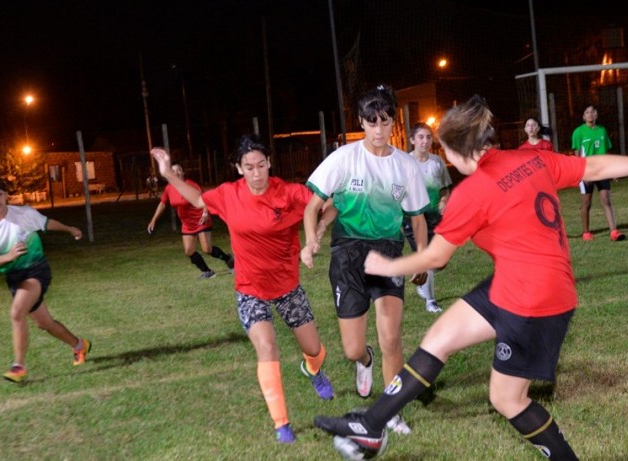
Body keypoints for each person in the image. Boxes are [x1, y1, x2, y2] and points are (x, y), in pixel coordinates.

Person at [313, 95, 628, 460]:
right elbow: (594, 168)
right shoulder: (528, 160)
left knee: (507, 399)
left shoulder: (472, 192)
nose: (446, 159)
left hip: (533, 302)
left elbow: (436, 257)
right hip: (520, 282)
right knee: (439, 338)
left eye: (447, 152)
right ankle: (371, 425)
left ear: (465, 152)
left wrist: (386, 266)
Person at [151, 135, 335, 444]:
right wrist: (168, 172)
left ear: (269, 163)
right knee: (267, 348)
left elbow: (329, 205)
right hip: (250, 288)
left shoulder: (289, 192)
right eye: (248, 167)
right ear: (239, 168)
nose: (256, 173)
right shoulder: (228, 195)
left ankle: (314, 370)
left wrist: (318, 229)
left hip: (288, 286)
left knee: (314, 349)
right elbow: (197, 200)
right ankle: (282, 424)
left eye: (261, 165)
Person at [301, 84, 431, 435]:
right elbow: (314, 206)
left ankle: (392, 413)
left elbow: (417, 219)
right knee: (352, 347)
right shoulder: (344, 158)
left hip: (388, 252)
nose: (378, 131)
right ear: (361, 122)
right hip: (348, 253)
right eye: (371, 123)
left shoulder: (406, 166)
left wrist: (421, 256)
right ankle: (365, 360)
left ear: (394, 123)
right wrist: (311, 240)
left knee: (391, 337)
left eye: (385, 122)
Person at [0, 171, 92, 384]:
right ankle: (79, 345)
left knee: (17, 313)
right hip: (14, 277)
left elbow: (47, 223)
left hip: (36, 270)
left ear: (6, 195)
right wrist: (8, 256)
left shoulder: (23, 214)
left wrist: (69, 229)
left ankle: (18, 366)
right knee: (44, 323)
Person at [147, 163, 234, 279]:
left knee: (207, 249)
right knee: (189, 251)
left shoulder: (191, 185)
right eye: (173, 171)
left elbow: (205, 198)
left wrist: (205, 213)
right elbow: (162, 204)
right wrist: (153, 220)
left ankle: (228, 259)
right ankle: (208, 271)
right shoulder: (169, 188)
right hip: (187, 225)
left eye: (179, 170)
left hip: (201, 220)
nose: (176, 172)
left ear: (183, 172)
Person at [403, 122, 453, 314]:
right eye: (421, 137)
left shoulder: (437, 162)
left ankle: (421, 278)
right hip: (413, 219)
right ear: (412, 140)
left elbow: (444, 189)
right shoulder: (404, 163)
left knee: (440, 261)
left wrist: (443, 202)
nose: (425, 141)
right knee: (428, 259)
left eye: (428, 137)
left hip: (434, 219)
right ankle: (430, 301)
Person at [571, 104, 625, 242]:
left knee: (606, 199)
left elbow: (606, 152)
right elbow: (577, 156)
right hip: (587, 171)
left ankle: (614, 231)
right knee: (587, 203)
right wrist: (581, 173)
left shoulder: (602, 131)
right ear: (583, 117)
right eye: (587, 112)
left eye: (593, 111)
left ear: (596, 115)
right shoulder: (578, 132)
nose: (590, 114)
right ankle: (586, 232)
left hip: (602, 170)